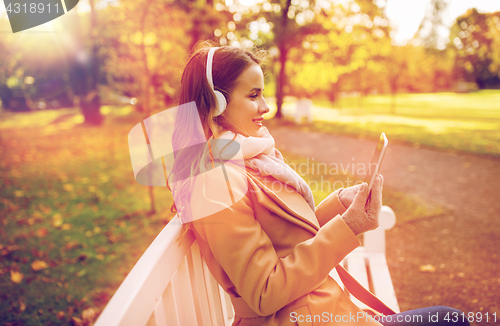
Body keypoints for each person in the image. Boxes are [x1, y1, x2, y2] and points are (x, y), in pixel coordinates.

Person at [168, 42, 470, 326]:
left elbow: (289, 237)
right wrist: (347, 227)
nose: (266, 106)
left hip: (320, 308)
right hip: (303, 315)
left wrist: (342, 206)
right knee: (449, 318)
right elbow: (265, 292)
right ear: (216, 104)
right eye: (253, 95)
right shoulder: (213, 182)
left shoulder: (246, 155)